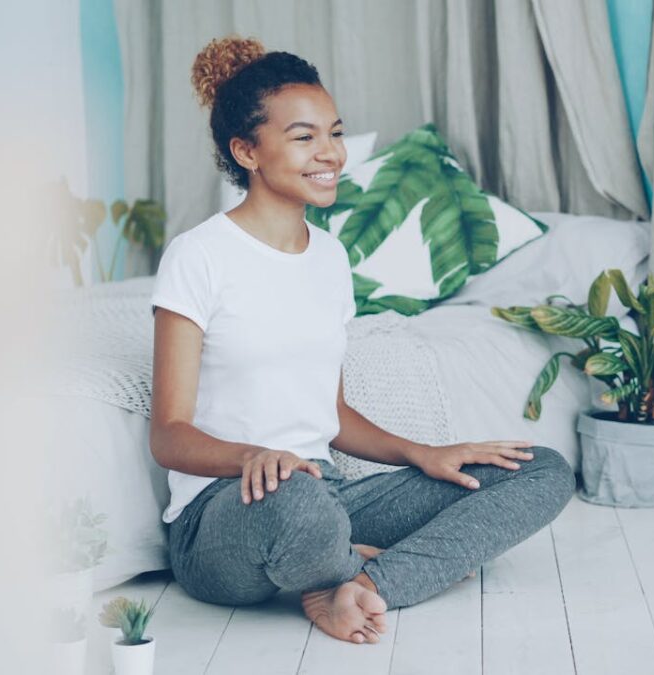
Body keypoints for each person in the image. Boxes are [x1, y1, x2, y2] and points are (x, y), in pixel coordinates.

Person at [149, 36, 574, 645]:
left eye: (335, 133)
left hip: (328, 493)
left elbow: (333, 413)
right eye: (304, 137)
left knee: (539, 470)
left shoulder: (329, 258)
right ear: (247, 151)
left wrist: (425, 453)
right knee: (299, 502)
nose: (330, 154)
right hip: (224, 515)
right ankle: (352, 571)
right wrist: (252, 457)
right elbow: (168, 434)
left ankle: (365, 584)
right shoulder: (198, 256)